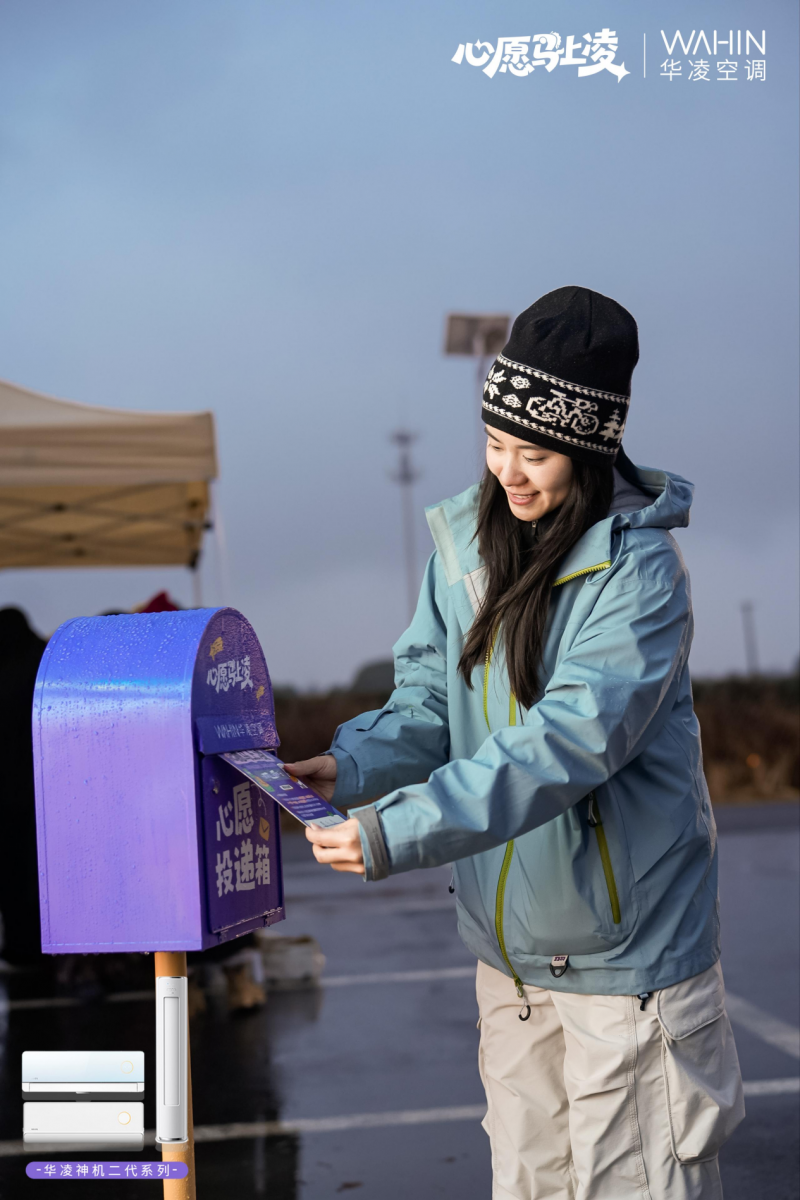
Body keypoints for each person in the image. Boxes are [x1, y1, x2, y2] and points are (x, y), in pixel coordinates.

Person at [286, 286, 744, 1200]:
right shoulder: (465, 546)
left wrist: (394, 830)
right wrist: (348, 768)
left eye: (536, 452)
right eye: (497, 443)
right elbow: (427, 699)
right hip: (512, 967)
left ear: (592, 446)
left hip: (629, 972)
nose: (511, 472)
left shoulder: (641, 572)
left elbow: (564, 745)